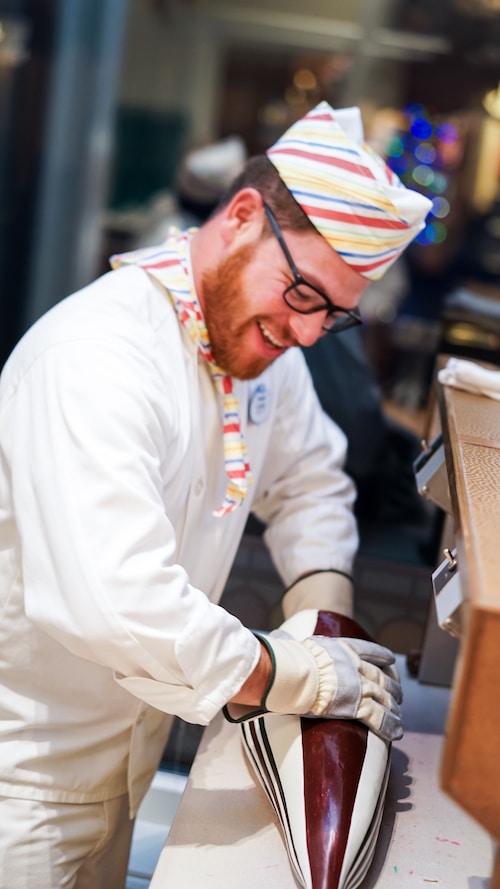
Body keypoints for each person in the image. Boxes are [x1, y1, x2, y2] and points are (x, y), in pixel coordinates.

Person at [0, 102, 431, 888]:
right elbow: (121, 600)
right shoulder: (96, 358)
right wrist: (297, 672)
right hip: (20, 782)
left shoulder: (260, 345)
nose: (307, 333)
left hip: (119, 769)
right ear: (240, 216)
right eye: (303, 293)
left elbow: (310, 484)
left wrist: (323, 613)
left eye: (332, 316)